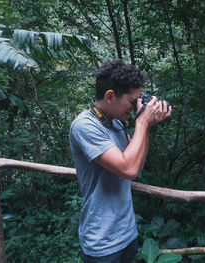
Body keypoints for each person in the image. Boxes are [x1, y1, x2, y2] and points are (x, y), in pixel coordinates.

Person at [69, 59, 172, 263]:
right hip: (102, 242)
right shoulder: (84, 126)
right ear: (110, 96)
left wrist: (147, 126)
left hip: (127, 233)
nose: (135, 106)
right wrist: (142, 122)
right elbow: (129, 169)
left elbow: (138, 164)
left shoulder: (116, 124)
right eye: (132, 101)